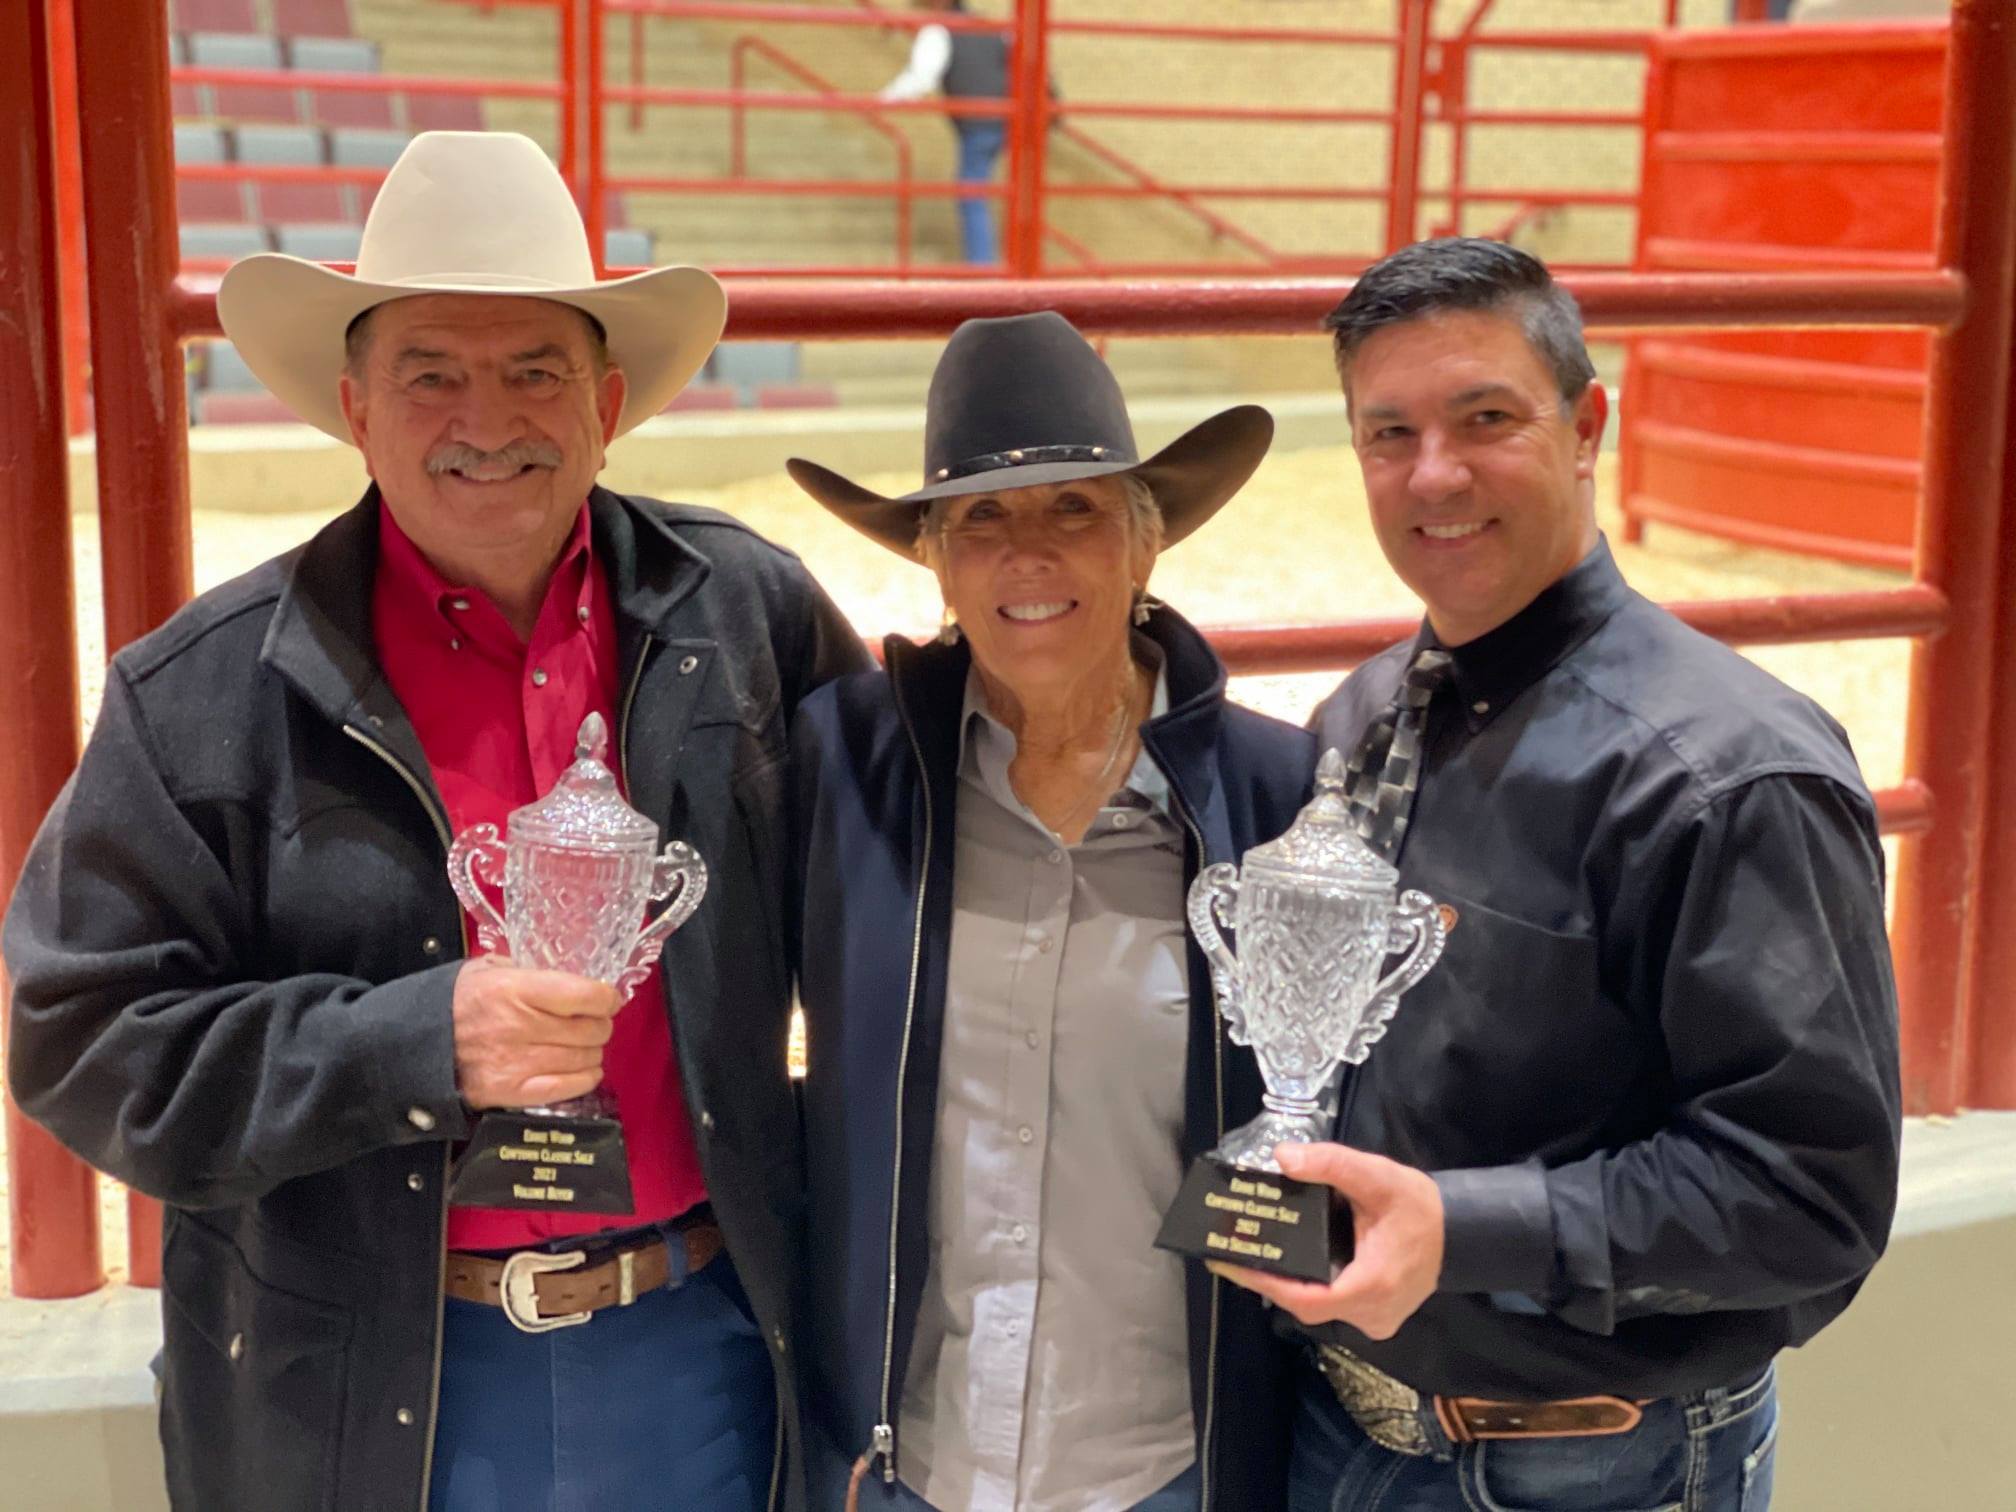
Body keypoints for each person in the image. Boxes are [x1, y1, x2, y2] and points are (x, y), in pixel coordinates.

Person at [2, 131, 869, 1512]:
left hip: (706, 1356)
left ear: (609, 398)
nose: (488, 417)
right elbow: (82, 1045)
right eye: (431, 373)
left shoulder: (750, 618)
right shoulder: (202, 695)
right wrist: (405, 1041)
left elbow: (895, 902)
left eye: (535, 370)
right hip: (358, 1387)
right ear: (354, 406)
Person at [1211, 238, 1902, 1511]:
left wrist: (1462, 1228)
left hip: (1593, 1465)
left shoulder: (1727, 775)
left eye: (1486, 418)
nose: (1435, 473)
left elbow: (1811, 1197)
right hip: (1335, 1433)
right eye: (1389, 434)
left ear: (1587, 427)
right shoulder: (1357, 721)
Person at [784, 312, 1311, 1511]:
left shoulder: (1273, 798)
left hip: (1165, 1468)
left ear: (1146, 542)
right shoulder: (845, 772)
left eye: (1075, 509)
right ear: (934, 558)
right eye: (982, 519)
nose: (1027, 555)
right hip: (907, 1462)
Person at [880, 0, 1010, 265]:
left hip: (978, 124)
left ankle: (982, 269)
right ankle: (995, 266)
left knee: (971, 192)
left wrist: (882, 100)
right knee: (988, 190)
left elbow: (921, 78)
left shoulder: (938, 31)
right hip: (1008, 121)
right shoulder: (989, 27)